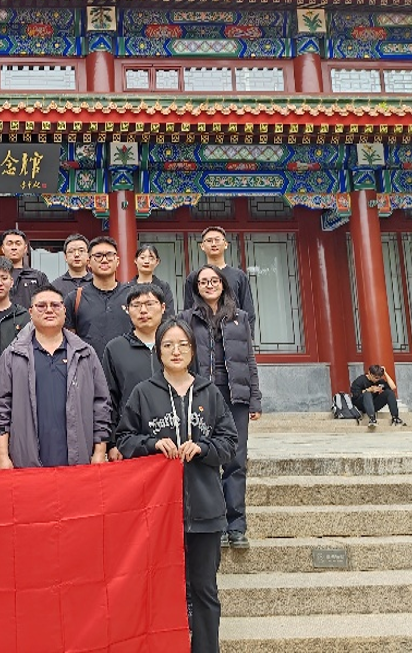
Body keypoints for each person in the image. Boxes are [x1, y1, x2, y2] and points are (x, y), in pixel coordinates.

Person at [116, 318, 237, 654]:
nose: (176, 351)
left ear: (193, 350)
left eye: (183, 344)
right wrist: (152, 444)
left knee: (204, 590)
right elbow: (124, 439)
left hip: (205, 511)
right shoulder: (144, 393)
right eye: (168, 345)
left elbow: (230, 442)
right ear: (159, 351)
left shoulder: (210, 392)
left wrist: (204, 448)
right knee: (159, 589)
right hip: (157, 515)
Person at [178, 265, 261, 551]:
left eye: (214, 280)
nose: (209, 285)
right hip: (203, 394)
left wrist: (255, 399)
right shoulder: (186, 318)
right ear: (196, 288)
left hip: (235, 395)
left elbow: (249, 360)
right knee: (206, 456)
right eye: (203, 282)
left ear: (223, 284)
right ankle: (216, 523)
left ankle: (236, 525)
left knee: (236, 460)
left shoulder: (240, 317)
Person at [0, 286, 110, 469]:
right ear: (30, 312)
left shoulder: (85, 354)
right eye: (41, 306)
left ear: (64, 311)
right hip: (26, 462)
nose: (49, 310)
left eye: (55, 305)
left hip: (78, 462)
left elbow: (101, 404)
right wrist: (2, 456)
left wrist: (100, 452)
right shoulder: (13, 355)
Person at [101, 284, 167, 461]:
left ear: (163, 307)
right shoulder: (115, 348)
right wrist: (112, 443)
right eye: (136, 305)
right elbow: (109, 399)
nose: (143, 310)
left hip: (174, 439)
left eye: (149, 304)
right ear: (127, 310)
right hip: (131, 440)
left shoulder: (177, 346)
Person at [63, 236, 133, 361]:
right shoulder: (75, 298)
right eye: (98, 256)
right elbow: (68, 338)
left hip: (126, 365)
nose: (104, 260)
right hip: (88, 365)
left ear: (117, 261)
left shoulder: (132, 296)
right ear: (89, 262)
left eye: (109, 255)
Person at [183, 227, 256, 335]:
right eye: (209, 241)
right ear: (202, 246)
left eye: (217, 240)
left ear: (225, 244)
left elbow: (248, 310)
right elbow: (188, 310)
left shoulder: (239, 276)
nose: (213, 244)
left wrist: (248, 338)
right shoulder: (194, 277)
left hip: (233, 333)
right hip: (202, 335)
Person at [0, 229, 50, 308]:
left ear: (25, 248)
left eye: (18, 244)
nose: (14, 248)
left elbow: (46, 304)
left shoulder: (38, 277)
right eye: (9, 243)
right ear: (3, 248)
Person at [351, 364, 404, 429]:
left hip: (373, 405)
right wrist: (369, 390)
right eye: (375, 377)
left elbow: (393, 387)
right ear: (369, 373)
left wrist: (385, 373)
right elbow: (355, 394)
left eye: (378, 378)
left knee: (389, 393)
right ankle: (372, 419)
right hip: (360, 404)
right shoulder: (360, 380)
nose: (376, 380)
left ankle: (395, 418)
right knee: (367, 394)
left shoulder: (379, 381)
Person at [130, 244, 175, 315]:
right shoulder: (127, 288)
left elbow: (169, 314)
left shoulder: (163, 287)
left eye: (151, 258)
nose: (146, 261)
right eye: (142, 258)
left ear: (157, 262)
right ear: (135, 260)